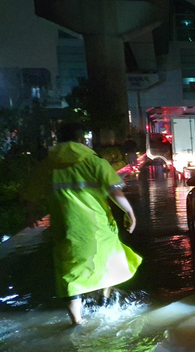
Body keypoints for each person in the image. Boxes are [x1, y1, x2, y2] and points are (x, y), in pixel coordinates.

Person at [24, 123, 142, 325]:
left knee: (70, 272)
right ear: (81, 140)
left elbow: (31, 193)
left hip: (66, 227)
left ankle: (76, 321)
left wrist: (32, 212)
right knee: (107, 262)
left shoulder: (47, 164)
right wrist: (129, 212)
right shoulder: (94, 162)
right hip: (98, 226)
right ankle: (104, 301)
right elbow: (114, 191)